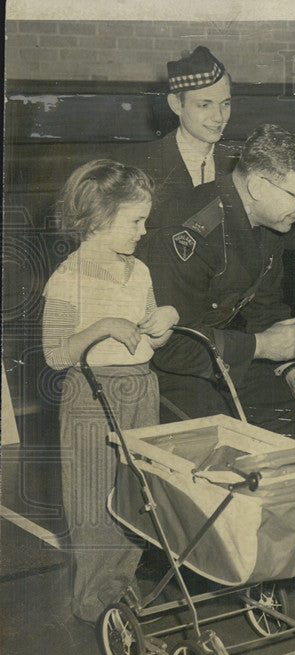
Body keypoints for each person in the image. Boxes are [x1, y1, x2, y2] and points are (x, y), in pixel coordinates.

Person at [42, 159, 179, 624]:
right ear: (98, 220)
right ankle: (94, 598)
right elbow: (56, 354)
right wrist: (101, 327)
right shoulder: (68, 277)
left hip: (142, 388)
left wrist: (168, 320)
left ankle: (121, 584)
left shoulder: (138, 270)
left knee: (136, 494)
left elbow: (149, 337)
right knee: (93, 499)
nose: (144, 230)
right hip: (92, 397)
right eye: (135, 221)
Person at [139, 124, 295, 436]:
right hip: (163, 365)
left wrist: (291, 372)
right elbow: (172, 345)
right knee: (223, 437)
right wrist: (261, 345)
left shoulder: (270, 223)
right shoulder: (187, 231)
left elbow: (263, 306)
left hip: (223, 350)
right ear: (259, 188)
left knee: (294, 417)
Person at [120, 46, 236, 228]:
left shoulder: (239, 163)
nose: (219, 117)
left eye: (225, 104)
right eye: (205, 105)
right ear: (176, 105)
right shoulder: (137, 166)